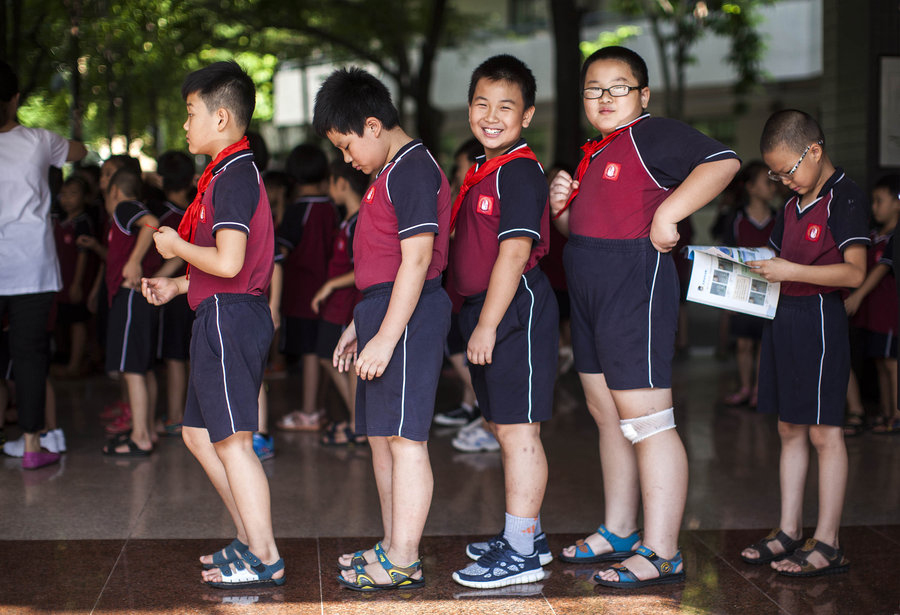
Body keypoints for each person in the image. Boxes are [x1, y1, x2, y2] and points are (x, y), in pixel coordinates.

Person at [549, 46, 739, 588]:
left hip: (634, 285)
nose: (605, 97)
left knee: (647, 421)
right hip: (590, 291)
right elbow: (586, 230)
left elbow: (723, 161)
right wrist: (561, 207)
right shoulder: (595, 149)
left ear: (643, 95)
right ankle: (620, 530)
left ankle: (663, 552)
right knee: (606, 412)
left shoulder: (651, 134)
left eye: (619, 87)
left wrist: (669, 213)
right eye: (593, 88)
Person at [141, 60, 283, 588]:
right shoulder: (222, 174)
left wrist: (176, 247)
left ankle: (264, 554)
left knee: (233, 442)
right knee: (200, 435)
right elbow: (221, 267)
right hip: (217, 311)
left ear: (221, 118)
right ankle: (250, 537)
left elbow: (227, 262)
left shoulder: (236, 175)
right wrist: (177, 284)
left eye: (191, 112)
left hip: (230, 319)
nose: (185, 123)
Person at [313, 66, 451, 591]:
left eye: (348, 146)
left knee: (405, 440)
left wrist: (387, 336)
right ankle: (392, 542)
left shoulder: (413, 168)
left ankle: (404, 557)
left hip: (409, 316)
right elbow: (382, 265)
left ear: (373, 125)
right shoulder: (384, 175)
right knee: (380, 439)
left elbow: (416, 263)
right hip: (381, 309)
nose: (348, 160)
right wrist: (358, 322)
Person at [447, 55, 559, 589]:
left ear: (528, 115)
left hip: (516, 310)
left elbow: (514, 253)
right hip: (487, 309)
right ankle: (525, 533)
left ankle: (521, 552)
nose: (491, 115)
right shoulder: (482, 166)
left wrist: (488, 324)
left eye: (506, 107)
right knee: (503, 427)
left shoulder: (518, 170)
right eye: (482, 104)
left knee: (518, 432)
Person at [740, 109, 868, 577]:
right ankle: (789, 529)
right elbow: (773, 259)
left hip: (819, 317)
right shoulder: (791, 207)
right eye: (774, 173)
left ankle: (829, 540)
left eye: (787, 170)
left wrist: (791, 272)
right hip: (783, 317)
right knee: (789, 428)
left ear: (814, 151)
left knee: (824, 432)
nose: (782, 181)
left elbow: (855, 272)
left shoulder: (845, 197)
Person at [0, 59, 87, 469]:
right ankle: (32, 445)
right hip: (31, 266)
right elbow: (79, 150)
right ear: (14, 98)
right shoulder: (38, 141)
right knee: (32, 354)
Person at [100, 167, 161, 456]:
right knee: (143, 368)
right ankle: (146, 429)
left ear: (114, 191)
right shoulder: (130, 209)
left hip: (130, 296)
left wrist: (135, 261)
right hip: (139, 298)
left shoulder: (125, 207)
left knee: (132, 369)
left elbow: (151, 224)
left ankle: (140, 437)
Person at [276, 144, 336, 432]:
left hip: (302, 294)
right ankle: (319, 407)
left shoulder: (296, 211)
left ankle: (309, 411)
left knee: (310, 353)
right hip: (329, 291)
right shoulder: (332, 207)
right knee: (321, 350)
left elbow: (281, 254)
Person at [311, 160, 366, 447]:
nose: (328, 189)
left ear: (342, 184)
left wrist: (330, 284)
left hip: (350, 304)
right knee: (332, 357)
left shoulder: (359, 222)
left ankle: (360, 424)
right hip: (340, 304)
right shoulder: (347, 220)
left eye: (331, 182)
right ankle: (359, 421)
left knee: (349, 361)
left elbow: (363, 270)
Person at [844, 174, 899, 434]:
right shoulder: (874, 236)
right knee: (880, 362)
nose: (874, 207)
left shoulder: (894, 238)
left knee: (892, 364)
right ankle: (887, 413)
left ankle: (896, 415)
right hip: (874, 316)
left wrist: (857, 295)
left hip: (891, 315)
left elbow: (880, 270)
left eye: (879, 201)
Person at [722, 161, 778, 407]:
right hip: (742, 290)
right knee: (744, 344)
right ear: (752, 188)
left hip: (770, 291)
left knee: (764, 343)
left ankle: (758, 391)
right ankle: (745, 388)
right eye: (768, 182)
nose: (773, 187)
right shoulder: (736, 219)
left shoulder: (780, 219)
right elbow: (726, 256)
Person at [150, 151, 197, 437]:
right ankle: (193, 414)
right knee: (192, 353)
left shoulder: (164, 217)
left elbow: (177, 257)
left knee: (174, 356)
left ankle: (177, 416)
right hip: (199, 288)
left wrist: (158, 280)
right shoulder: (196, 210)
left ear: (160, 179)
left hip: (175, 291)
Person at [53, 175, 100, 378]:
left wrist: (77, 284)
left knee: (77, 320)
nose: (67, 199)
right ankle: (64, 356)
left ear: (85, 198)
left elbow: (82, 255)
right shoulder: (59, 220)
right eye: (64, 194)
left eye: (73, 194)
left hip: (74, 281)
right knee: (61, 319)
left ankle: (75, 364)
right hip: (59, 280)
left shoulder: (83, 223)